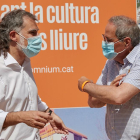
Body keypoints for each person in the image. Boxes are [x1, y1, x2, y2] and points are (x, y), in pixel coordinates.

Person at [0, 9, 68, 140]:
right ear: (13, 35)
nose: (38, 38)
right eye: (33, 33)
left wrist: (50, 115)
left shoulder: (25, 63)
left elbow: (32, 97)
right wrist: (21, 117)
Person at [78, 15, 140, 140]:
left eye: (109, 40)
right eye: (103, 38)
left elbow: (118, 97)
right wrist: (109, 89)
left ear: (127, 42)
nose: (104, 44)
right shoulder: (111, 61)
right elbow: (93, 102)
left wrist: (85, 85)